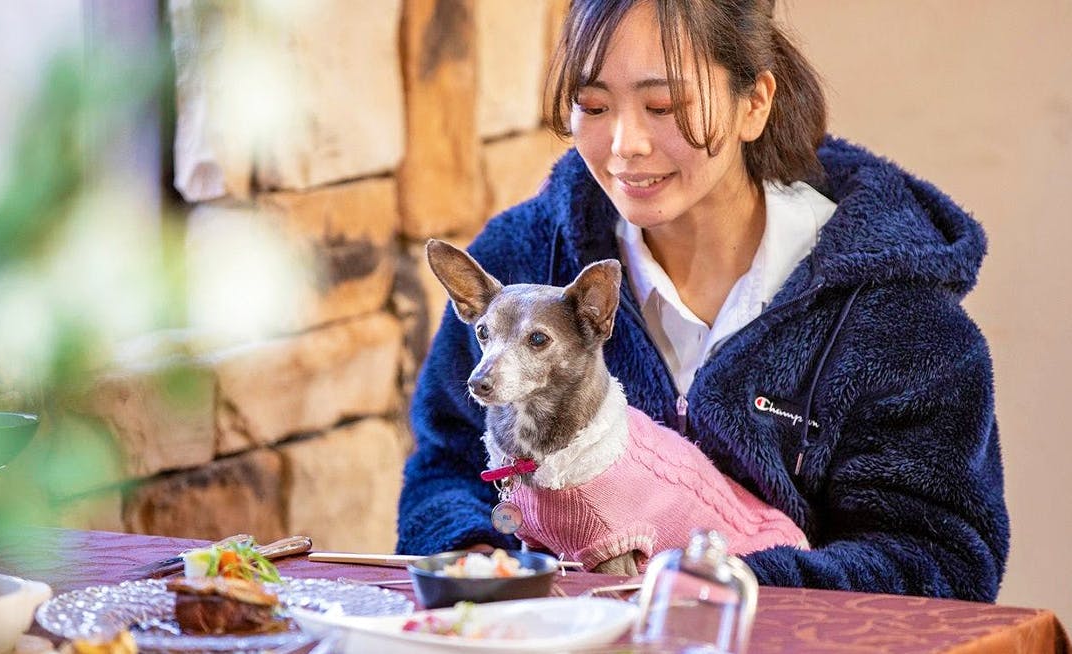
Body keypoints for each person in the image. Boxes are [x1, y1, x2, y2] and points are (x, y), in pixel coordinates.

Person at [396, 0, 1009, 603]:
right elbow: (446, 468)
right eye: (593, 105)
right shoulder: (521, 263)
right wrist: (478, 566)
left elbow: (939, 559)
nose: (624, 144)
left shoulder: (898, 316)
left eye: (663, 106)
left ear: (755, 103)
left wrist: (712, 592)